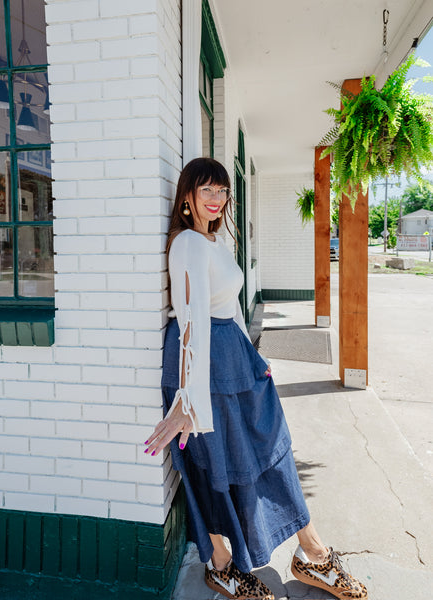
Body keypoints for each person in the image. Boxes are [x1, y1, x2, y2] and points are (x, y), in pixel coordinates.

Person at [144, 157, 367, 600]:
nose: (215, 199)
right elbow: (191, 323)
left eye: (222, 191)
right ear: (186, 196)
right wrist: (188, 399)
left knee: (267, 450)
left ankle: (311, 554)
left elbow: (226, 309)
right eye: (206, 190)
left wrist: (252, 358)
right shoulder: (187, 243)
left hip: (232, 360)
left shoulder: (211, 242)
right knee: (218, 465)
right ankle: (224, 565)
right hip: (203, 365)